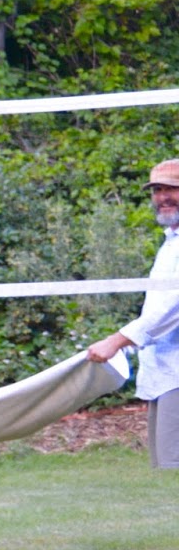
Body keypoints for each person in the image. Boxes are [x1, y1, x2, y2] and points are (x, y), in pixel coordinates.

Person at [87, 159, 179, 470]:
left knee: (172, 466)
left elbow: (172, 308)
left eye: (172, 189)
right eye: (157, 190)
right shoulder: (171, 242)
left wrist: (117, 340)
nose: (163, 197)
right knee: (163, 467)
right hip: (165, 372)